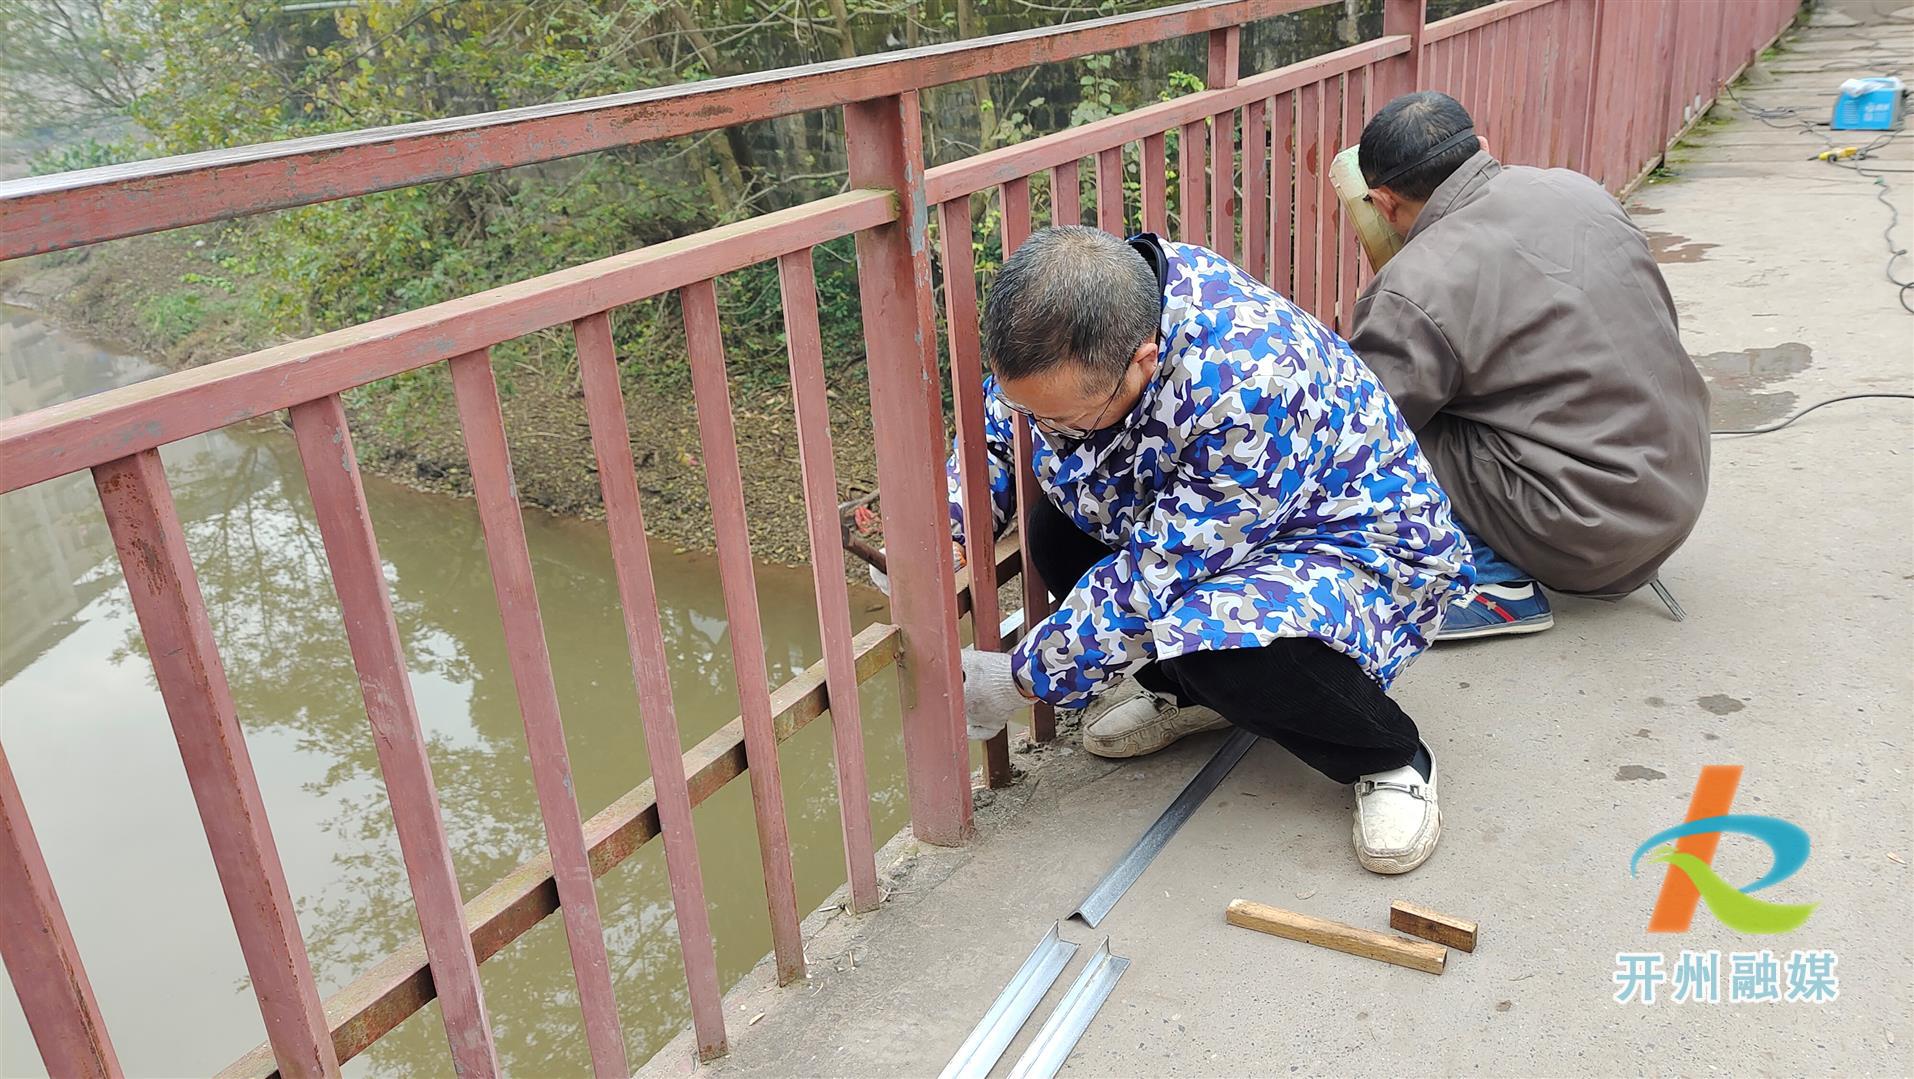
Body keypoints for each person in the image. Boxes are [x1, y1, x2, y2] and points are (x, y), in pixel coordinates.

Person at [943, 225, 1472, 874]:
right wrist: (955, 526)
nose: (1044, 432)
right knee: (1057, 532)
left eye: (1061, 420)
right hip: (1216, 521)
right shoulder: (1085, 320)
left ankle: (1389, 755)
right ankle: (1192, 699)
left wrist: (1019, 680)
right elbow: (1004, 426)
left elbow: (1149, 584)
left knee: (1214, 642)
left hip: (1353, 542)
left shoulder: (1251, 381)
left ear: (1142, 359)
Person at [1348, 91, 1710, 640]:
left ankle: (1495, 585)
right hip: (1677, 478)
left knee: (1371, 429)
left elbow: (1360, 429)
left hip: (1591, 527)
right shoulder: (1574, 187)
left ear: (1383, 203)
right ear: (1482, 149)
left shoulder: (1414, 284)